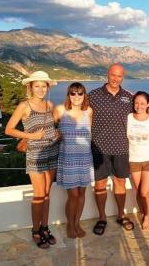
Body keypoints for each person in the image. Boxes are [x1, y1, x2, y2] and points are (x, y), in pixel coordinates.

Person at [5, 71, 59, 249]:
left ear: (47, 87)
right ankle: (35, 230)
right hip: (35, 155)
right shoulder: (24, 106)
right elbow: (9, 130)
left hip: (52, 152)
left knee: (47, 194)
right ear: (30, 87)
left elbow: (51, 126)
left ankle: (45, 227)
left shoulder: (49, 104)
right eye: (37, 86)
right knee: (38, 195)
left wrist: (56, 134)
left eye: (44, 86)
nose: (41, 89)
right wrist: (31, 136)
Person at [88, 63, 134, 235]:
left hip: (122, 147)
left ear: (123, 77)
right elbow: (79, 112)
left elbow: (144, 109)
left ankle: (121, 215)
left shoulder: (128, 97)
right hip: (99, 148)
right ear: (107, 74)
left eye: (119, 76)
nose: (116, 79)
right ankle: (102, 217)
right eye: (113, 75)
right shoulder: (93, 96)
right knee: (100, 184)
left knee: (120, 183)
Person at [53, 82, 93, 239]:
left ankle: (77, 223)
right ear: (68, 95)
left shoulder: (88, 111)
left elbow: (90, 134)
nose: (76, 96)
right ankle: (70, 224)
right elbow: (50, 127)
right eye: (73, 93)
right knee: (73, 195)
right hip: (68, 158)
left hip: (84, 158)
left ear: (84, 95)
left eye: (80, 93)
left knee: (82, 194)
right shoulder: (60, 110)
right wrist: (57, 134)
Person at [128, 91, 149, 229]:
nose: (139, 106)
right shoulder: (129, 117)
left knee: (144, 192)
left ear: (148, 104)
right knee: (138, 192)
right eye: (136, 102)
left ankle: (147, 216)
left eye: (142, 103)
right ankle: (145, 211)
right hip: (133, 159)